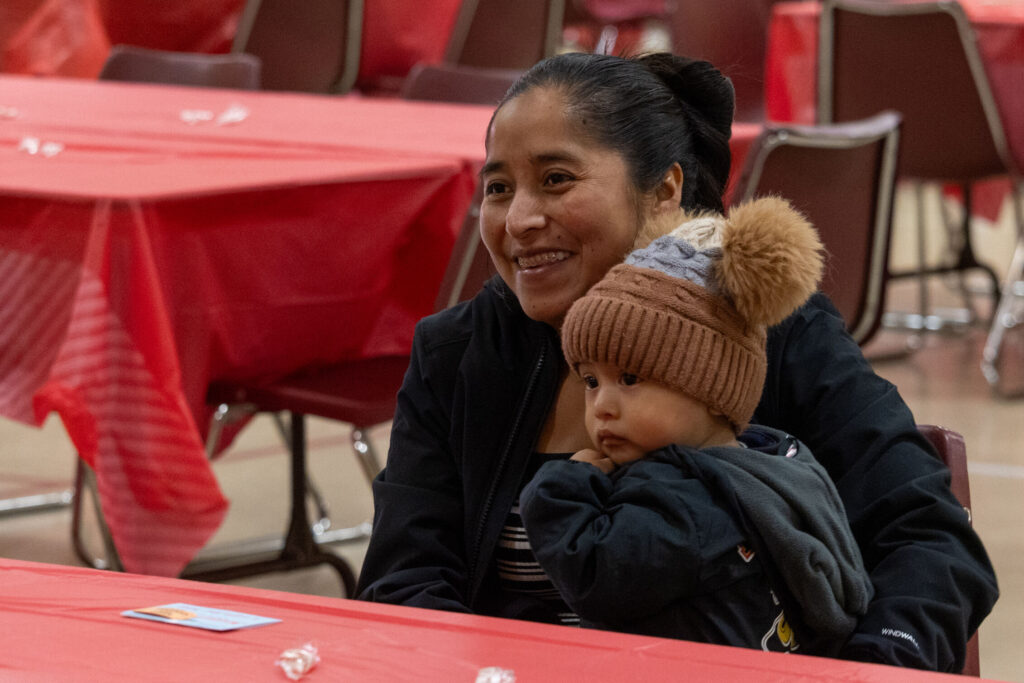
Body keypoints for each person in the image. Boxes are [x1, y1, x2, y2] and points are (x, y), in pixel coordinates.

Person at [356, 51, 998, 672]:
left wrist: (868, 669)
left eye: (557, 179)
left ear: (665, 189)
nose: (520, 218)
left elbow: (929, 544)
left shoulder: (772, 332)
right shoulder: (459, 354)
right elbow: (403, 577)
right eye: (498, 188)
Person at [517, 197, 874, 656]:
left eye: (630, 379)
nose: (602, 406)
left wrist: (564, 484)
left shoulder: (684, 500)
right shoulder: (774, 466)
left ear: (710, 386)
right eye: (590, 381)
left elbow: (595, 576)